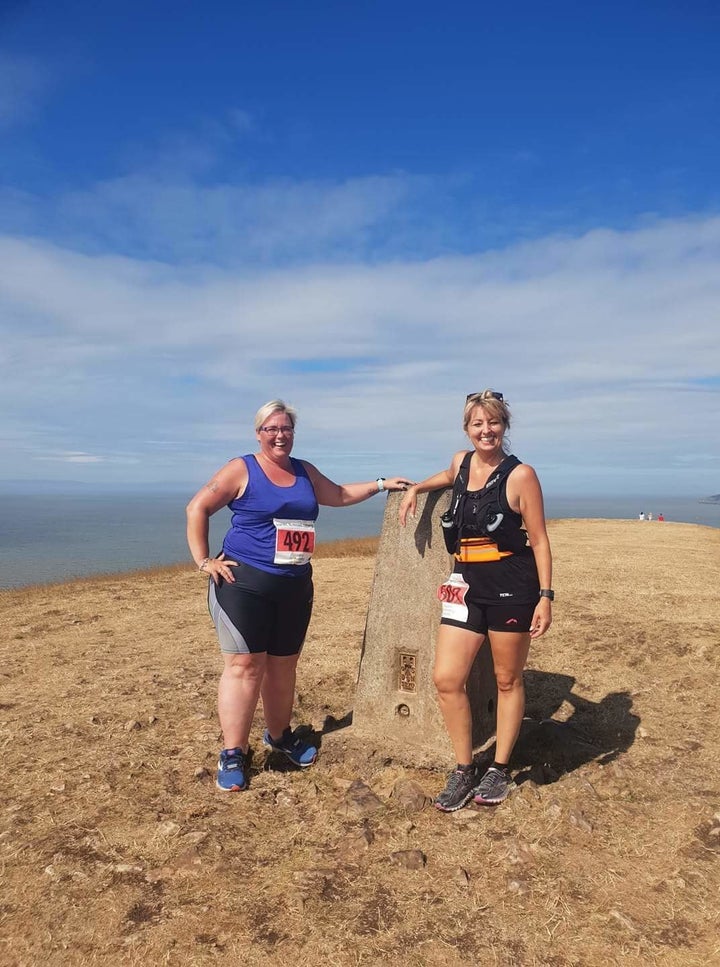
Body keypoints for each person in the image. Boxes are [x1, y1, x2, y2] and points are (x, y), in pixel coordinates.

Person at [186, 399, 413, 792]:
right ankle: (233, 753)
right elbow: (197, 507)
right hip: (244, 585)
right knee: (245, 666)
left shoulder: (304, 471)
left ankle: (279, 736)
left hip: (294, 586)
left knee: (282, 666)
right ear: (259, 434)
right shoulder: (243, 468)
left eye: (286, 429)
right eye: (271, 429)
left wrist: (380, 485)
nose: (279, 435)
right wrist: (204, 560)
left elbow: (338, 494)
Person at [398, 390, 553, 811]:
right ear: (467, 429)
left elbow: (538, 540)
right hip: (464, 582)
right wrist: (415, 488)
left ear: (505, 426)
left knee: (507, 680)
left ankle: (499, 767)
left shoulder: (521, 475)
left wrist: (545, 597)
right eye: (477, 424)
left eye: (494, 423)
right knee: (447, 678)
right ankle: (465, 768)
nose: (486, 431)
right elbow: (446, 478)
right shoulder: (460, 463)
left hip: (511, 584)